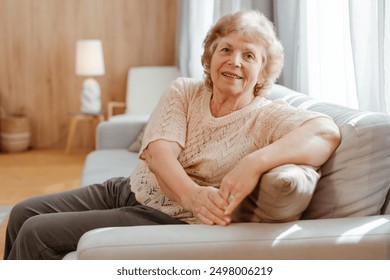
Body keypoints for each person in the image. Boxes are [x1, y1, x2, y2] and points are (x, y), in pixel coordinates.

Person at [3, 10, 340, 260]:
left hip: (163, 217)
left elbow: (326, 132)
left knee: (36, 234)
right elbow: (160, 154)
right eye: (225, 49)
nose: (234, 61)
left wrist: (255, 162)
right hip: (125, 189)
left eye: (249, 55)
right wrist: (194, 195)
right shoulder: (184, 91)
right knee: (22, 212)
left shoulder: (268, 116)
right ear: (210, 56)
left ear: (263, 72)